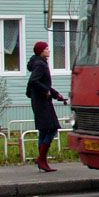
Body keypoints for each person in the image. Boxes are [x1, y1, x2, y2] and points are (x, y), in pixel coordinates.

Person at [26, 41, 67, 173]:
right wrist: (46, 91)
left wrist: (56, 95)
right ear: (41, 51)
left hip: (40, 101)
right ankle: (41, 158)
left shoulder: (39, 63)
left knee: (44, 130)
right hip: (42, 102)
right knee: (52, 128)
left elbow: (43, 84)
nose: (49, 51)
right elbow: (34, 81)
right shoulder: (40, 65)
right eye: (47, 49)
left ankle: (42, 161)